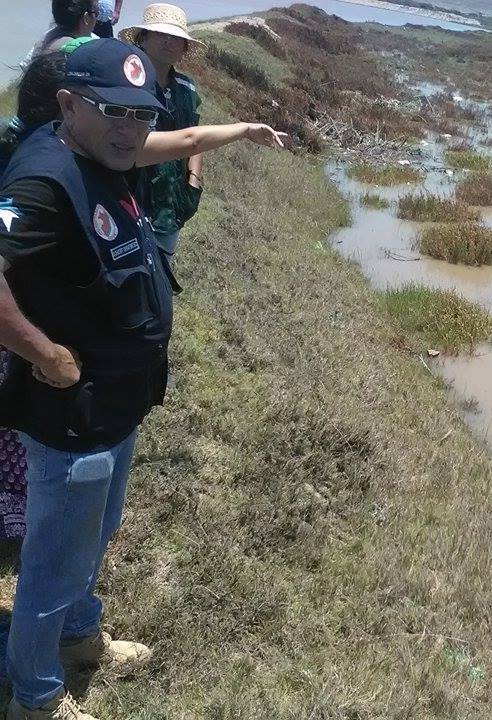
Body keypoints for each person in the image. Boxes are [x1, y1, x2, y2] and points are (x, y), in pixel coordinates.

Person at [0, 38, 284, 720]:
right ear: (68, 104)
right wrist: (44, 353)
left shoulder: (107, 145)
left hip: (118, 402)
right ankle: (34, 697)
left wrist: (243, 130)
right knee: (52, 561)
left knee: (95, 535)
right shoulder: (41, 180)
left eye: (140, 114)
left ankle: (79, 636)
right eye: (113, 113)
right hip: (73, 413)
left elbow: (180, 136)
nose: (131, 130)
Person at [121, 4, 206, 257]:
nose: (168, 42)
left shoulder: (187, 89)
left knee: (161, 276)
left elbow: (196, 136)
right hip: (127, 196)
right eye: (160, 34)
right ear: (143, 38)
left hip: (170, 202)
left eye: (176, 38)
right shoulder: (124, 83)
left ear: (184, 48)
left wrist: (194, 181)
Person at [22, 0, 98, 68]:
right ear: (86, 18)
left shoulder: (44, 40)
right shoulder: (90, 52)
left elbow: (24, 67)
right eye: (97, 11)